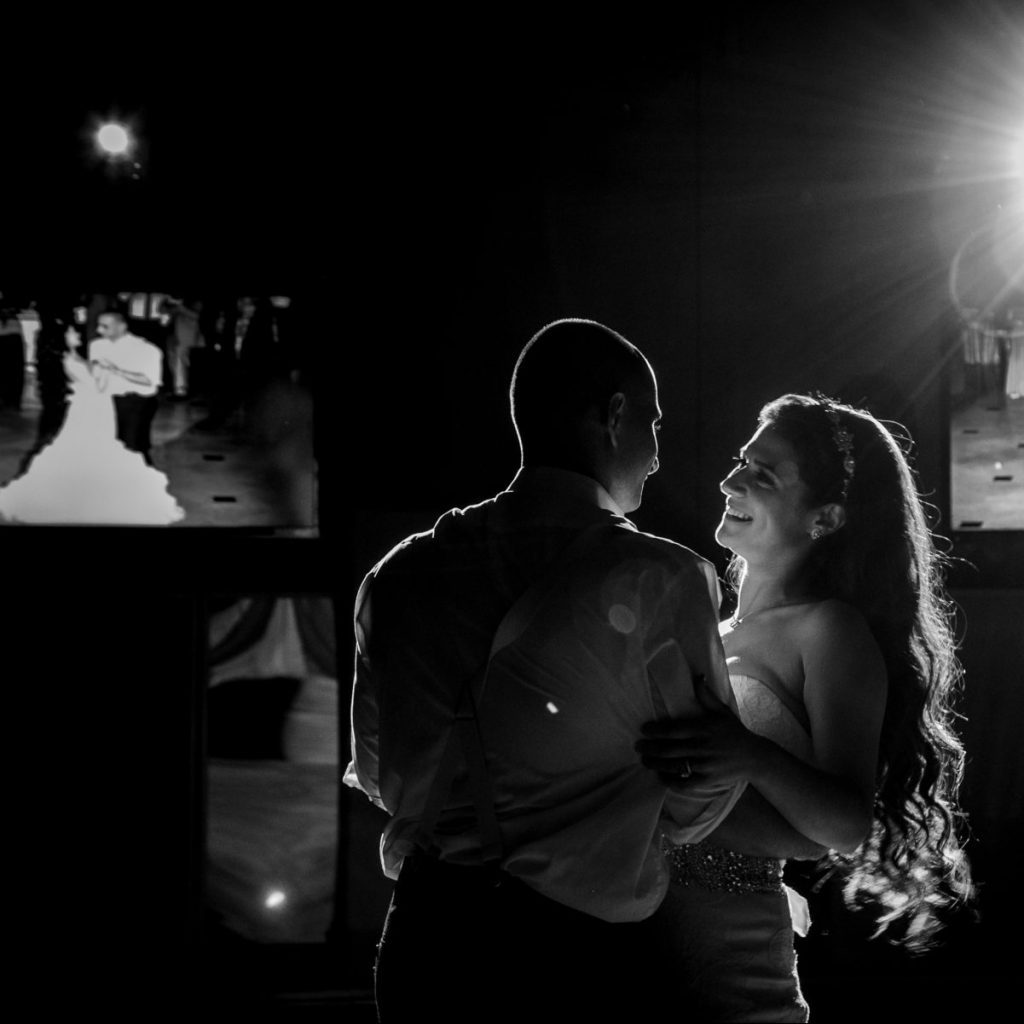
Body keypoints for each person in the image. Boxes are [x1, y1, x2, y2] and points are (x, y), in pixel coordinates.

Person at [346, 318, 765, 1021]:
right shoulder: (660, 580)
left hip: (428, 942)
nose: (659, 457)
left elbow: (381, 768)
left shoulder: (397, 575)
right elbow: (698, 800)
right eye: (653, 425)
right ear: (615, 415)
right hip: (577, 956)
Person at [638, 393, 973, 1021]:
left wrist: (749, 755)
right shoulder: (711, 626)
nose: (729, 479)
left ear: (825, 518)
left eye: (761, 475)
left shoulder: (829, 630)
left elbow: (846, 825)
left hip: (729, 945)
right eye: (741, 461)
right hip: (643, 930)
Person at [0, 325, 183, 525]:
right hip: (91, 408)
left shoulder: (75, 355)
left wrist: (106, 368)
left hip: (95, 406)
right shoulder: (70, 360)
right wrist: (111, 371)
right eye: (72, 332)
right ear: (63, 338)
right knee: (91, 447)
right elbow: (98, 386)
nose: (77, 333)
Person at [88, 310, 163, 464]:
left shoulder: (147, 349)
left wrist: (116, 370)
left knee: (132, 448)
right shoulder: (96, 345)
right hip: (106, 402)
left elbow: (150, 381)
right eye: (98, 326)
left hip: (135, 403)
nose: (99, 330)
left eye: (105, 326)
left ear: (122, 327)